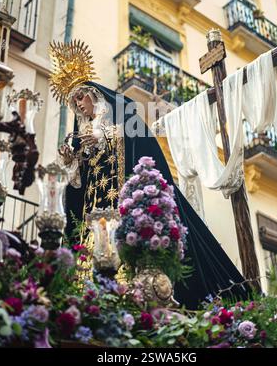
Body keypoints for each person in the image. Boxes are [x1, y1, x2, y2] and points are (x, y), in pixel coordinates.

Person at [49, 40, 250, 309]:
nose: (78, 103)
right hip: (93, 216)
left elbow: (136, 141)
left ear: (94, 94)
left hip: (119, 209)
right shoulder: (81, 138)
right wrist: (72, 160)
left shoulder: (121, 113)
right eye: (73, 101)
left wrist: (104, 134)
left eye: (80, 96)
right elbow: (77, 185)